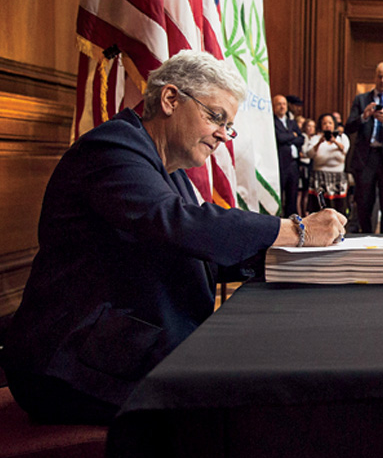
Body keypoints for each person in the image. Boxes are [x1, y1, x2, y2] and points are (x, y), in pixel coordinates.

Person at [0, 51, 346, 424]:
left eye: (228, 125)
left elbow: (199, 250)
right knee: (240, 396)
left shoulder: (171, 168)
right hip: (70, 361)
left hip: (124, 342)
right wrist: (296, 230)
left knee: (258, 363)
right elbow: (177, 223)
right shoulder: (111, 148)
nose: (223, 135)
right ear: (170, 100)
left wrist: (293, 259)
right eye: (217, 117)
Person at [344, 61, 383, 233]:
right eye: (379, 76)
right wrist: (363, 117)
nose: (382, 80)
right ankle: (365, 236)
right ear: (375, 77)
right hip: (366, 158)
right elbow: (348, 127)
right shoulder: (361, 100)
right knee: (364, 202)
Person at [306, 113, 350, 213]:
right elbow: (309, 154)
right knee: (319, 207)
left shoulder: (342, 138)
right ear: (321, 125)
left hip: (337, 177)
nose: (327, 125)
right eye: (324, 123)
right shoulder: (315, 138)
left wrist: (334, 141)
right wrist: (319, 142)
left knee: (338, 207)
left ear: (334, 124)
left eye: (330, 123)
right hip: (319, 177)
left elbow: (345, 150)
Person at [273, 94, 304, 217]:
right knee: (280, 193)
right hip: (281, 163)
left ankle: (292, 222)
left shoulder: (291, 122)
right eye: (279, 104)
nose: (282, 107)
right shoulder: (272, 122)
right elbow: (279, 138)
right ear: (274, 107)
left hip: (294, 163)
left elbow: (301, 139)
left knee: (293, 194)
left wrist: (290, 137)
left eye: (284, 104)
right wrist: (293, 136)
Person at [298, 118, 317, 215]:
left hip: (310, 165)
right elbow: (303, 152)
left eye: (313, 126)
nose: (311, 128)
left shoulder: (313, 138)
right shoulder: (303, 137)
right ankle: (300, 214)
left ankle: (305, 213)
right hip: (302, 165)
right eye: (309, 126)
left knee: (306, 192)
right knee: (301, 192)